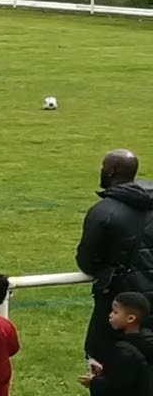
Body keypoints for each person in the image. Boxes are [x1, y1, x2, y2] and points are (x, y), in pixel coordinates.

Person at [78, 149, 153, 363]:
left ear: (110, 172)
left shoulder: (103, 212)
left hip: (119, 301)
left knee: (106, 365)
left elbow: (86, 262)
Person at [79, 292, 153, 396]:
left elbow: (118, 385)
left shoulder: (125, 351)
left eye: (115, 312)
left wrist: (93, 382)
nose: (110, 315)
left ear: (130, 318)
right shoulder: (146, 340)